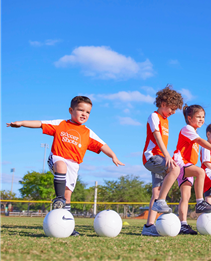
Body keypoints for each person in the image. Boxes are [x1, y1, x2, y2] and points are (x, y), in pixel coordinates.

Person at [7, 96, 125, 236]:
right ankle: (59, 198)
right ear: (71, 110)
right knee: (61, 168)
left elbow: (102, 145)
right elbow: (39, 123)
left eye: (87, 112)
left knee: (68, 196)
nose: (84, 114)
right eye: (81, 110)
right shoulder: (61, 124)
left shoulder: (88, 133)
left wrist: (113, 155)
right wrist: (21, 123)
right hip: (57, 158)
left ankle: (68, 226)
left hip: (74, 165)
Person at [141, 86, 183, 236]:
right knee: (175, 169)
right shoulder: (154, 116)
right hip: (151, 157)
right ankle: (161, 201)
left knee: (156, 192)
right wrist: (167, 156)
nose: (173, 112)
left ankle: (148, 227)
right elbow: (157, 138)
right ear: (163, 103)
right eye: (172, 108)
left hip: (160, 158)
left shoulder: (166, 120)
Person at [173, 105, 211, 235]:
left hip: (187, 166)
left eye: (203, 117)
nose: (201, 119)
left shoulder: (194, 131)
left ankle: (183, 224)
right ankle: (200, 202)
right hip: (181, 163)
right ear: (189, 118)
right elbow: (199, 140)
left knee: (186, 197)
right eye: (198, 117)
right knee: (200, 172)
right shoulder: (188, 128)